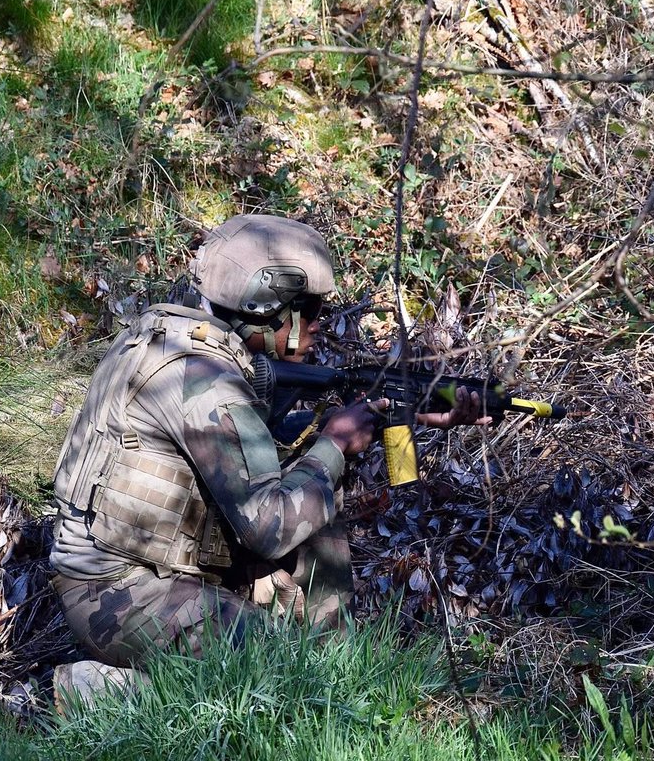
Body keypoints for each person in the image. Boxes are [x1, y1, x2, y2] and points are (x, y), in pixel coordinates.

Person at [49, 214, 488, 702]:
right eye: (311, 310)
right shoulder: (204, 383)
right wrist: (335, 445)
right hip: (117, 593)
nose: (320, 324)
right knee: (285, 678)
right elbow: (268, 525)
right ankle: (100, 695)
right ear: (267, 306)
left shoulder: (173, 336)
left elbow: (253, 455)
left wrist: (372, 422)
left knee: (314, 491)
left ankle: (334, 657)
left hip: (143, 573)